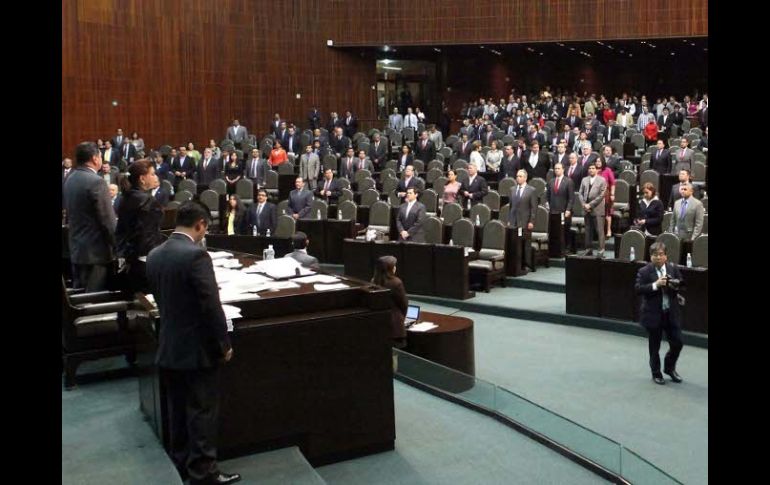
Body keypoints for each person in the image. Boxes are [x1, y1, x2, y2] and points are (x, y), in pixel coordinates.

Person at [146, 201, 241, 485]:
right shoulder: (196, 256)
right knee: (201, 410)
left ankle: (181, 463)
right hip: (196, 348)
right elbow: (211, 306)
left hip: (169, 344)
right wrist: (223, 344)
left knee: (177, 408)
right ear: (200, 224)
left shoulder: (154, 254)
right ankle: (204, 472)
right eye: (205, 229)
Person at [64, 141, 117, 291]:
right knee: (95, 302)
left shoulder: (70, 179)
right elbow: (108, 221)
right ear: (95, 158)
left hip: (76, 249)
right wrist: (118, 248)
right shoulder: (96, 182)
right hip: (96, 253)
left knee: (80, 297)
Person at [635, 242, 685, 385]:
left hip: (670, 313)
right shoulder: (644, 271)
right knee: (654, 347)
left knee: (678, 342)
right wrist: (655, 285)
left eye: (661, 254)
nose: (658, 257)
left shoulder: (673, 268)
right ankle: (656, 373)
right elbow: (638, 289)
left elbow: (681, 283)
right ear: (650, 257)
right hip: (653, 314)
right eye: (655, 255)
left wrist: (674, 285)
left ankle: (669, 368)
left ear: (666, 256)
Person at [115, 159, 165, 294]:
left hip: (130, 262)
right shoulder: (148, 201)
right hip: (146, 262)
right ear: (142, 179)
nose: (156, 177)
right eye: (153, 174)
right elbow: (148, 237)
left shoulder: (125, 197)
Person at [371, 255, 408, 350]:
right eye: (394, 265)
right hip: (396, 327)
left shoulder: (374, 281)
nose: (395, 267)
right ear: (389, 269)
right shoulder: (396, 283)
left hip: (381, 324)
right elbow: (404, 305)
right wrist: (401, 318)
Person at [508, 169, 538, 270]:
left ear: (525, 178)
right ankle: (516, 263)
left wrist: (531, 221)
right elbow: (511, 206)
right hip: (514, 221)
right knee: (514, 243)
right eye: (517, 176)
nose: (518, 178)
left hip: (525, 221)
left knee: (526, 244)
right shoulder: (512, 189)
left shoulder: (531, 190)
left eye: (520, 176)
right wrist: (509, 219)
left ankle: (526, 264)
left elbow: (534, 208)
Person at [578, 163, 607, 257]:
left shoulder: (602, 180)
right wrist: (583, 204)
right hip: (586, 209)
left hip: (597, 209)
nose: (591, 170)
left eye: (593, 168)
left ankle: (601, 250)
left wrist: (590, 205)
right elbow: (580, 193)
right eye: (589, 168)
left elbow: (601, 195)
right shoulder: (584, 180)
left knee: (599, 231)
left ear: (597, 169)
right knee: (588, 230)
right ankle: (588, 249)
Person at [546, 163, 575, 254]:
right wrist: (547, 204)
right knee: (554, 231)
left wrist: (568, 209)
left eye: (558, 168)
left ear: (563, 170)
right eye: (555, 168)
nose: (557, 170)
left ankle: (566, 248)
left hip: (564, 210)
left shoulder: (568, 181)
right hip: (553, 211)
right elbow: (547, 196)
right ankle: (555, 250)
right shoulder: (551, 181)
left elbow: (571, 198)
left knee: (565, 230)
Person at [595, 158, 616, 238]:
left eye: (599, 161)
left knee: (607, 213)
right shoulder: (593, 170)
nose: (598, 163)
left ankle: (608, 230)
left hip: (606, 194)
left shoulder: (607, 170)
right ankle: (599, 232)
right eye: (596, 161)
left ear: (603, 162)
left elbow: (613, 183)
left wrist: (612, 194)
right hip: (595, 195)